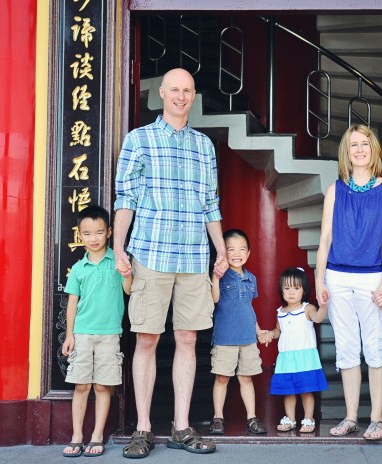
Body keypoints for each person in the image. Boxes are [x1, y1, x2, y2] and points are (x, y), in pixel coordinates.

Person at [113, 68, 228, 458]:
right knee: (146, 338)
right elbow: (125, 198)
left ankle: (181, 426)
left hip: (194, 256)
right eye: (175, 89)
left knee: (188, 339)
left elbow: (210, 203)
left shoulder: (204, 145)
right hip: (151, 252)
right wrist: (119, 247)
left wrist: (220, 249)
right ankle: (143, 428)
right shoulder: (139, 139)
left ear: (194, 96)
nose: (181, 96)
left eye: (187, 90)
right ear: (162, 93)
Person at [314, 124, 382, 440]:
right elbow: (325, 238)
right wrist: (319, 279)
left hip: (372, 276)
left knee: (375, 345)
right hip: (337, 276)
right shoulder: (335, 190)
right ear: (346, 153)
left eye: (365, 144)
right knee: (347, 346)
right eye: (354, 145)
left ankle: (377, 419)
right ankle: (351, 417)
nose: (360, 150)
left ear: (374, 149)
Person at [61, 205, 133, 458]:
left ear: (109, 232)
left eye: (99, 232)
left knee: (103, 386)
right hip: (82, 334)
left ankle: (97, 436)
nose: (94, 238)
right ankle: (76, 436)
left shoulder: (118, 261)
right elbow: (72, 303)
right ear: (79, 235)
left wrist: (127, 273)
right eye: (87, 233)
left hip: (110, 334)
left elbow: (128, 290)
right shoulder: (78, 268)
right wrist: (69, 335)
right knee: (81, 386)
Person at [207, 229, 269, 436]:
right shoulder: (222, 276)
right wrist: (216, 277)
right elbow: (214, 299)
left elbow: (247, 308)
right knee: (222, 378)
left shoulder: (251, 279)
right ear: (223, 252)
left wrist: (258, 331)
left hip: (248, 338)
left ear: (248, 253)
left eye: (242, 249)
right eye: (230, 249)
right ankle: (218, 418)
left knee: (246, 378)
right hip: (225, 338)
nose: (237, 253)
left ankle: (252, 418)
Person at [266, 267, 328, 434]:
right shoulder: (280, 312)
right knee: (288, 391)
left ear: (304, 290)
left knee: (306, 390)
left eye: (296, 288)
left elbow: (318, 318)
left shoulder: (308, 308)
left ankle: (309, 418)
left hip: (305, 357)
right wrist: (270, 334)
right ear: (281, 290)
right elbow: (278, 331)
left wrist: (323, 306)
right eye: (287, 288)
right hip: (286, 358)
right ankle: (291, 418)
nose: (291, 292)